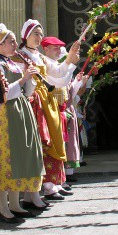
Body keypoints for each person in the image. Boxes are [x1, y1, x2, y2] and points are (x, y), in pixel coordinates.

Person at [0, 24, 46, 222]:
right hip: (2, 114)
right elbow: (1, 94)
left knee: (17, 158)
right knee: (4, 159)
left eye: (15, 40)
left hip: (18, 111)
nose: (15, 44)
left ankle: (15, 204)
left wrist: (30, 79)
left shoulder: (13, 63)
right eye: (11, 41)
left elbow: (27, 91)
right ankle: (4, 208)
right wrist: (24, 78)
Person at [13, 19, 80, 201]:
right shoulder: (19, 56)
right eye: (35, 33)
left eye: (41, 34)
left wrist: (70, 57)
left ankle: (41, 190)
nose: (39, 37)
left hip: (44, 105)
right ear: (25, 35)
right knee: (35, 148)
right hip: (31, 105)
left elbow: (57, 74)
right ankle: (32, 193)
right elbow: (17, 82)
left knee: (48, 144)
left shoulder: (40, 58)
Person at [41, 37, 88, 187]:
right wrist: (70, 63)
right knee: (53, 147)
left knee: (63, 146)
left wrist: (77, 81)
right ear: (45, 48)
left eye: (60, 49)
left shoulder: (55, 65)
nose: (58, 51)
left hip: (62, 111)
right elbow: (59, 80)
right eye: (55, 47)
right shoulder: (44, 62)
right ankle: (51, 183)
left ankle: (59, 180)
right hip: (51, 111)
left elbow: (68, 90)